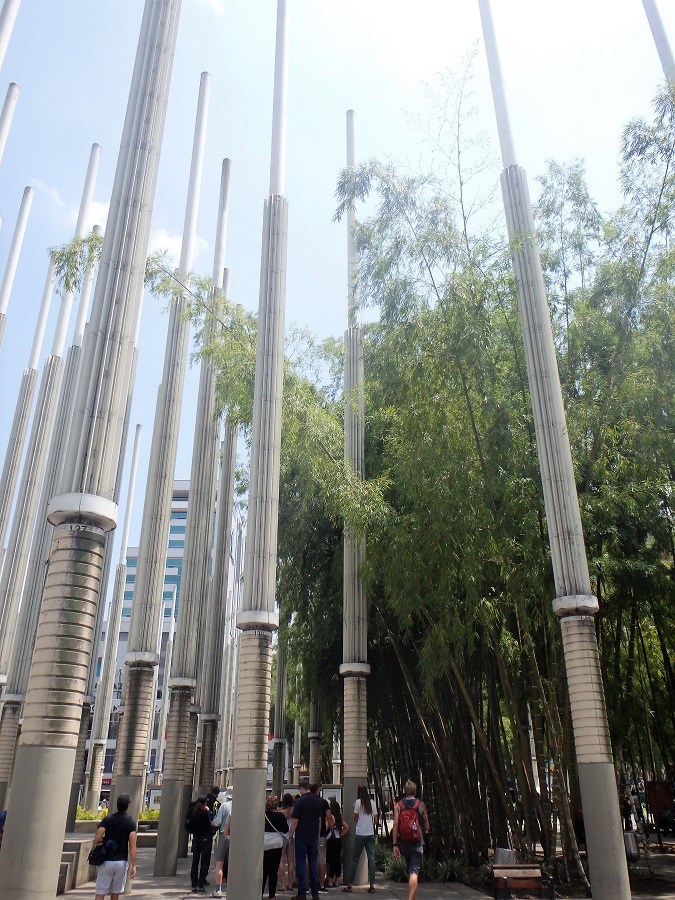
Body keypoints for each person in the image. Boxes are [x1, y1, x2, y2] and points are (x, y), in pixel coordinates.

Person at [93, 792, 137, 900]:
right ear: (128, 806)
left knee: (100, 892)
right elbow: (132, 845)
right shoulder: (131, 822)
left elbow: (97, 838)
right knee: (115, 893)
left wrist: (106, 839)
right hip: (121, 862)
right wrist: (134, 865)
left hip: (106, 861)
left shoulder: (107, 820)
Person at [392, 781, 429, 900]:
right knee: (414, 872)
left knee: (410, 870)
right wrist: (425, 831)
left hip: (404, 842)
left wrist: (394, 845)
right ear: (415, 791)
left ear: (404, 791)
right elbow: (426, 824)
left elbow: (396, 825)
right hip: (417, 842)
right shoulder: (420, 804)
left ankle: (413, 898)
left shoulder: (398, 805)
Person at [288, 777, 322, 900]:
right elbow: (319, 820)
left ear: (301, 788)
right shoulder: (317, 801)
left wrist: (290, 835)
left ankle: (302, 893)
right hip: (313, 837)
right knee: (313, 864)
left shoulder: (299, 802)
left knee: (301, 864)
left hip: (301, 837)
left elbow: (295, 821)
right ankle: (315, 893)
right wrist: (317, 836)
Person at [343, 784, 378, 893]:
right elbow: (376, 820)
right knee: (371, 859)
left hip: (360, 834)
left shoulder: (358, 803)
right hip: (370, 833)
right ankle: (372, 885)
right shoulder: (372, 803)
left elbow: (355, 818)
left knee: (355, 859)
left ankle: (349, 885)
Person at [264, 794, 289, 900]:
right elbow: (285, 829)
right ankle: (272, 895)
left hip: (264, 843)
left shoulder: (263, 815)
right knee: (273, 871)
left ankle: (259, 892)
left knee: (264, 869)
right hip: (276, 844)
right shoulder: (280, 816)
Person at [189, 795, 214, 894]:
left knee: (195, 862)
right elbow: (210, 823)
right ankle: (200, 884)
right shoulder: (205, 812)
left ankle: (194, 885)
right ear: (204, 803)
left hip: (196, 839)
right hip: (205, 839)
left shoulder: (193, 812)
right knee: (204, 862)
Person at [311, 783, 334, 891]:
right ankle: (321, 884)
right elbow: (329, 818)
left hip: (308, 834)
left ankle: (308, 883)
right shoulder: (323, 802)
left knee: (309, 859)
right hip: (321, 834)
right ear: (317, 791)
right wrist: (333, 832)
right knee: (321, 859)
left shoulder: (306, 801)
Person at [210, 790, 232, 898]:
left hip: (223, 835)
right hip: (237, 837)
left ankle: (218, 889)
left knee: (219, 863)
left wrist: (211, 822)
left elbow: (216, 822)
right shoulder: (242, 805)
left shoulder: (224, 806)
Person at [326, 800, 349, 887]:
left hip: (331, 840)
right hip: (338, 840)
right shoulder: (340, 817)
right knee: (337, 860)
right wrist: (340, 834)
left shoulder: (331, 817)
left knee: (330, 861)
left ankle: (330, 880)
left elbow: (327, 827)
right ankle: (336, 880)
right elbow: (347, 827)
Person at [278, 793, 296, 891]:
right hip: (292, 836)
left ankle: (282, 884)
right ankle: (290, 883)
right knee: (291, 861)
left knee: (282, 860)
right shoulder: (294, 811)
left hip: (282, 836)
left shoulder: (281, 812)